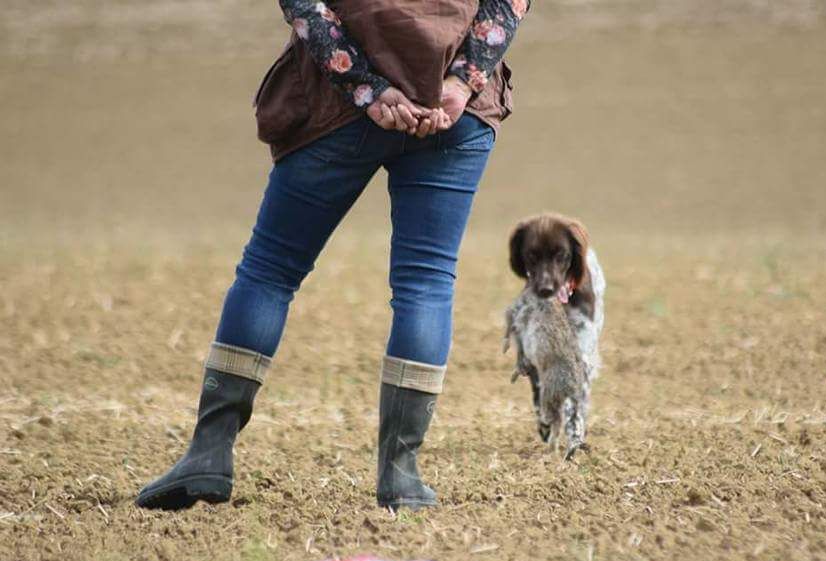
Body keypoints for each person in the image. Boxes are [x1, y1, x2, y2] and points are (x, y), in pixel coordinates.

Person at [136, 0, 530, 511]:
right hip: (454, 113)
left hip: (336, 111)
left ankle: (209, 454)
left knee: (270, 272)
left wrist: (369, 88)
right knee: (426, 283)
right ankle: (401, 476)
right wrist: (460, 83)